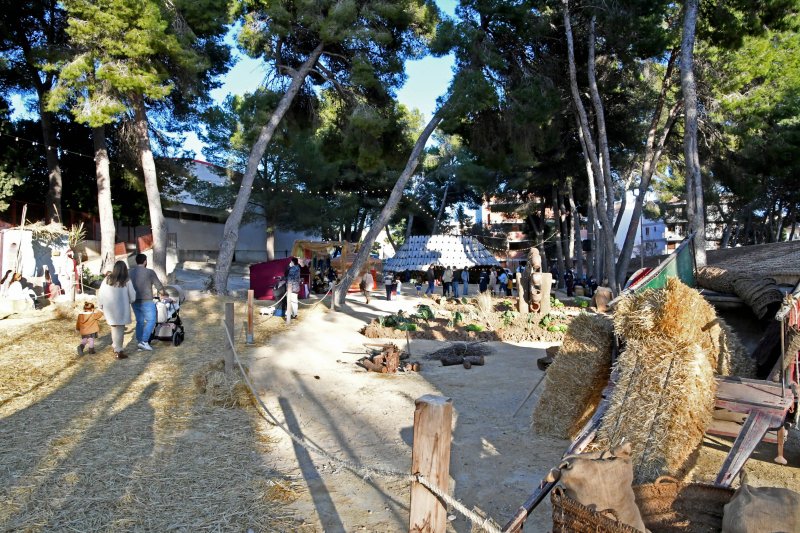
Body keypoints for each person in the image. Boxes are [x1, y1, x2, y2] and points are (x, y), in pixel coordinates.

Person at [97, 261, 136, 359]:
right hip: (121, 308)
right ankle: (119, 350)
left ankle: (115, 346)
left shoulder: (107, 279)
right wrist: (130, 300)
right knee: (120, 329)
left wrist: (100, 305)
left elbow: (101, 293)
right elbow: (132, 296)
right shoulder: (126, 280)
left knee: (114, 328)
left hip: (109, 308)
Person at [129, 253, 165, 351]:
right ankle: (145, 341)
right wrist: (163, 293)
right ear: (145, 261)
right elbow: (158, 285)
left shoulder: (130, 272)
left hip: (134, 300)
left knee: (140, 321)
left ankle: (140, 342)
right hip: (146, 300)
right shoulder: (149, 272)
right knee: (151, 320)